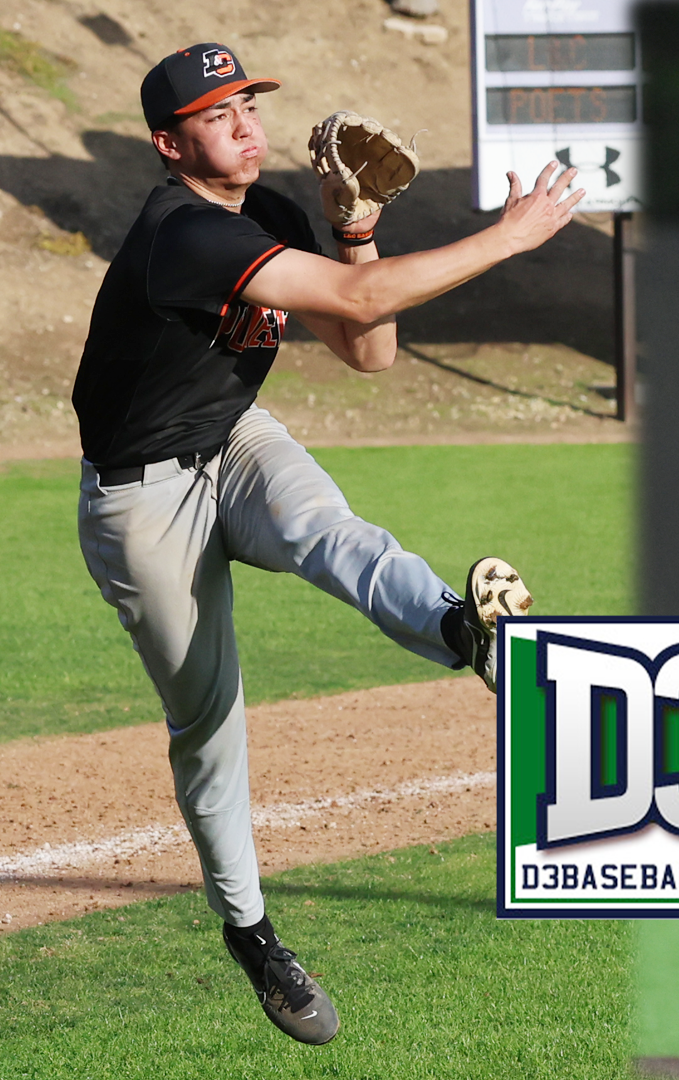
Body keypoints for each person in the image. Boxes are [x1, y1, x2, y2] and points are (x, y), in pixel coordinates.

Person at [71, 44, 579, 1045]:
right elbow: (364, 309)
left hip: (232, 439)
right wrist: (508, 238)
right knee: (208, 724)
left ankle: (461, 630)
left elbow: (369, 353)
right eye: (220, 116)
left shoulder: (267, 215)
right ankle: (252, 933)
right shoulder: (181, 232)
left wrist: (354, 228)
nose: (247, 124)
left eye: (250, 104)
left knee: (326, 528)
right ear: (171, 144)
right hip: (142, 504)